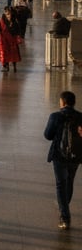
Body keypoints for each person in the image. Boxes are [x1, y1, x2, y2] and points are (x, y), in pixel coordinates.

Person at [44, 91, 82, 230]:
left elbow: (48, 135)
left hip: (59, 156)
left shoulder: (55, 116)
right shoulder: (80, 117)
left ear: (63, 102)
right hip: (76, 156)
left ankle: (65, 216)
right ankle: (64, 207)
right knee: (69, 181)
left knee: (60, 184)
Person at [0, 6, 22, 72]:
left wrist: (18, 36)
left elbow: (18, 30)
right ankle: (6, 66)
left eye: (9, 14)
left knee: (14, 54)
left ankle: (14, 66)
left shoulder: (15, 21)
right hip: (4, 40)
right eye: (7, 14)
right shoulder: (2, 20)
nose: (8, 16)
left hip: (12, 40)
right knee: (5, 54)